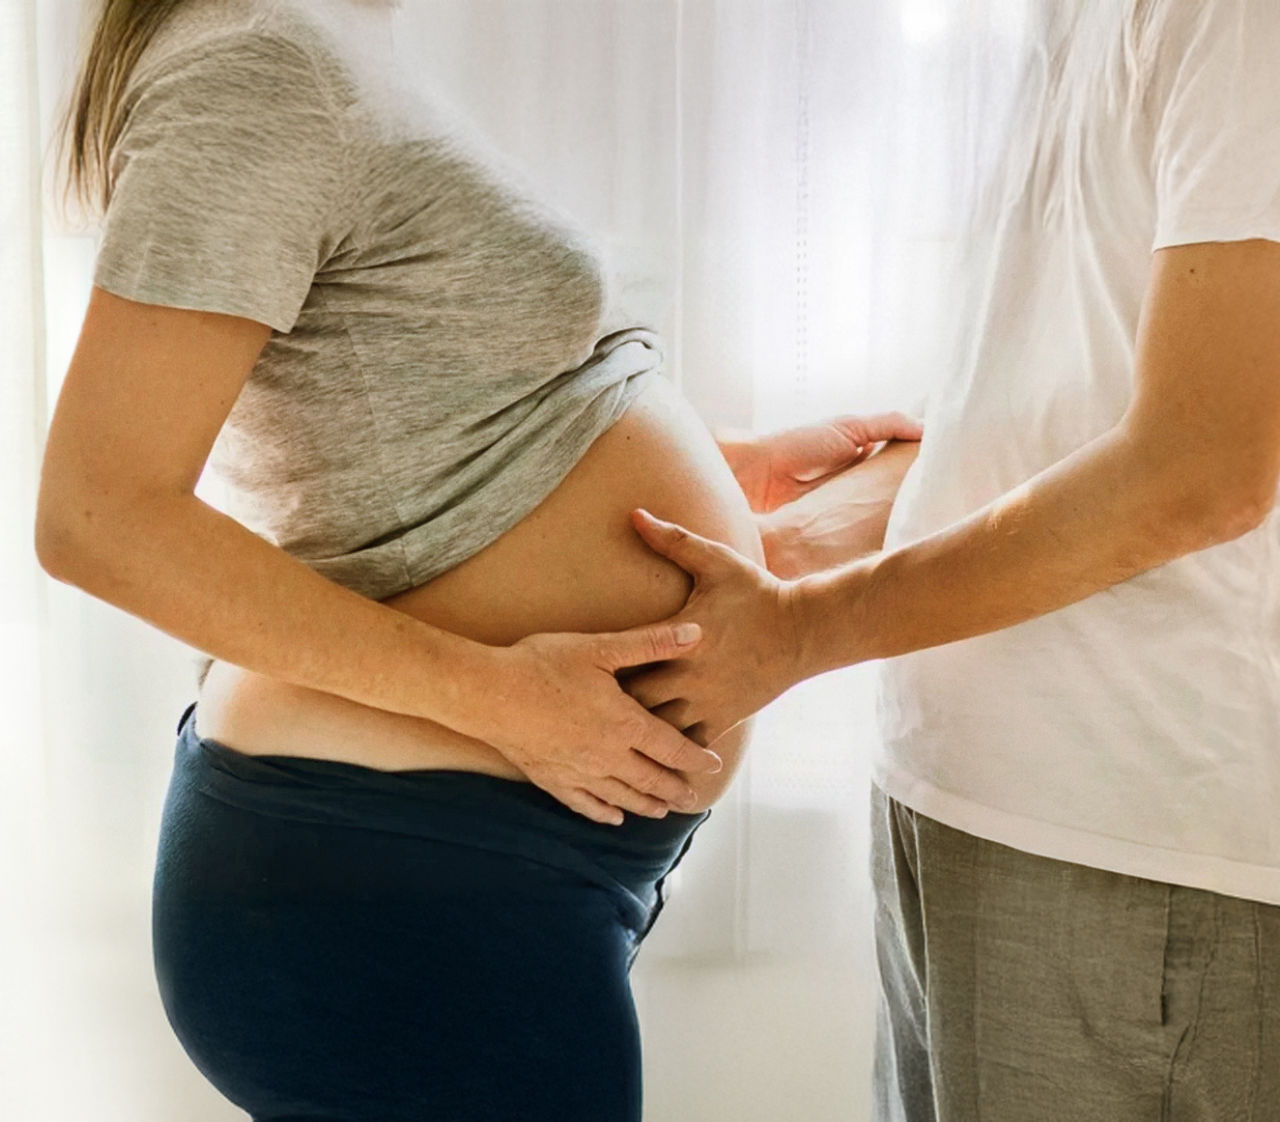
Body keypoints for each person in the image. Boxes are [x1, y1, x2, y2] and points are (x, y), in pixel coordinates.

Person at [34, 1, 920, 1119]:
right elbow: (99, 519)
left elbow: (391, 407)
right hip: (389, 879)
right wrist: (496, 697)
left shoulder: (320, 47)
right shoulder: (261, 67)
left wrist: (714, 468)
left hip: (450, 866)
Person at [624, 2, 1280, 1118]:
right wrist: (770, 553)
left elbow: (1202, 468)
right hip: (953, 792)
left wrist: (801, 630)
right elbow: (1032, 418)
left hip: (1132, 841)